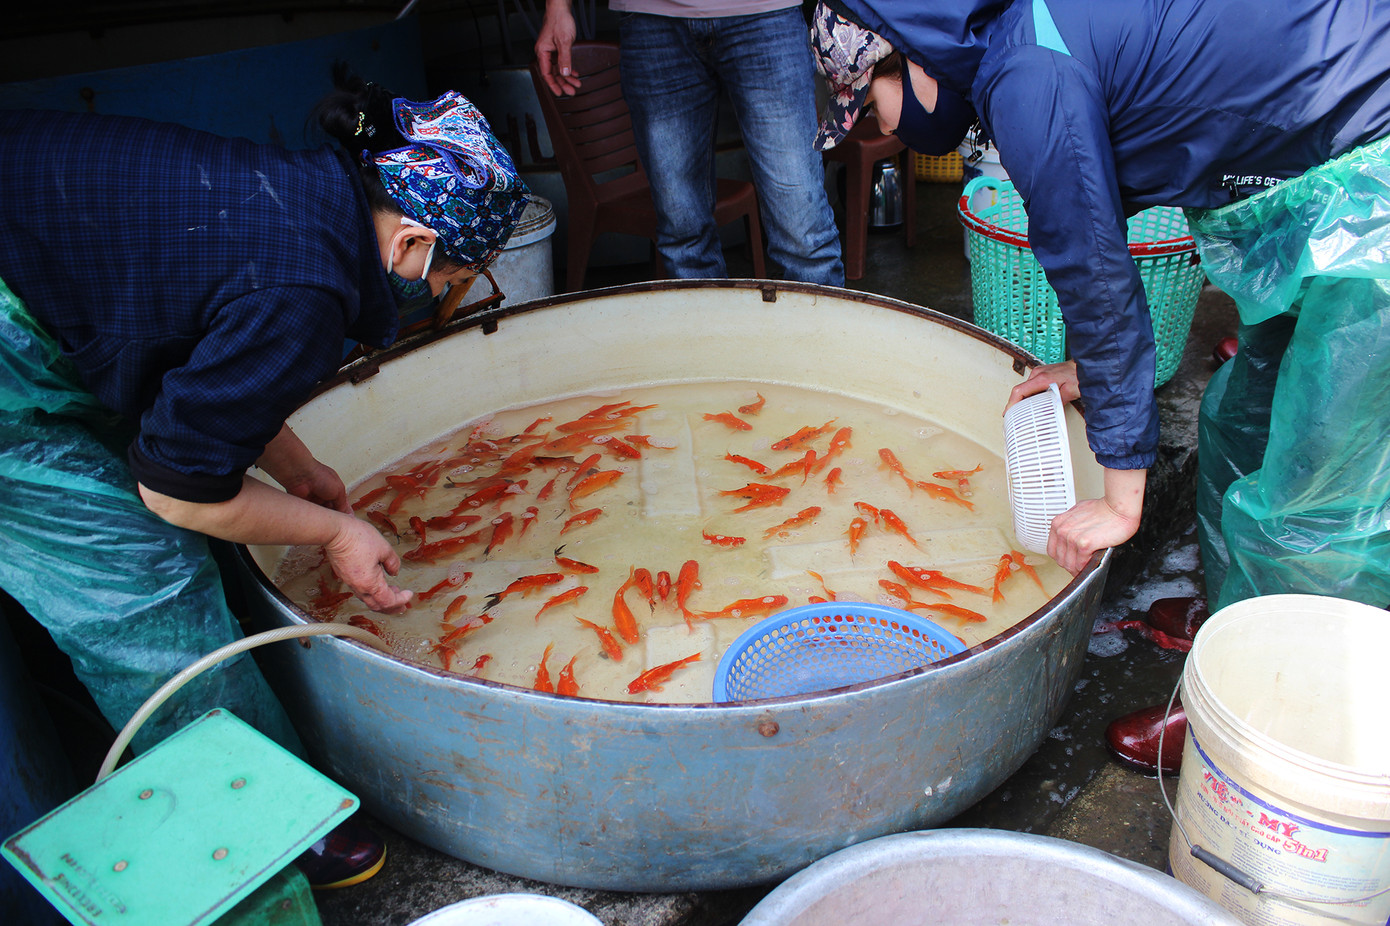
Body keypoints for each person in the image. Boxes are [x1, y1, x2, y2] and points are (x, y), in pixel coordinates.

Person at [810, 0, 1390, 772]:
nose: (881, 127)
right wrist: (1089, 368)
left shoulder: (1025, 74)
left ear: (912, 60)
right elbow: (1101, 208)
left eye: (871, 102)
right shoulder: (1011, 35)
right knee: (1241, 420)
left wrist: (1122, 497)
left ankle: (1271, 730)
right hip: (1323, 163)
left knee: (1313, 500)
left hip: (1370, 173)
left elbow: (1095, 278)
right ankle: (1237, 623)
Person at [0, 71, 528, 885]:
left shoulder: (302, 198)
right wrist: (335, 531)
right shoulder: (306, 290)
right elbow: (173, 488)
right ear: (411, 245)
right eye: (452, 278)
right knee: (143, 581)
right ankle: (267, 822)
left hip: (33, 281)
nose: (444, 295)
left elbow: (197, 336)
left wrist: (296, 467)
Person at [535, 0, 844, 285]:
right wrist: (557, 7)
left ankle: (822, 331)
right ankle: (705, 330)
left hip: (765, 12)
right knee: (684, 238)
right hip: (652, 18)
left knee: (805, 236)